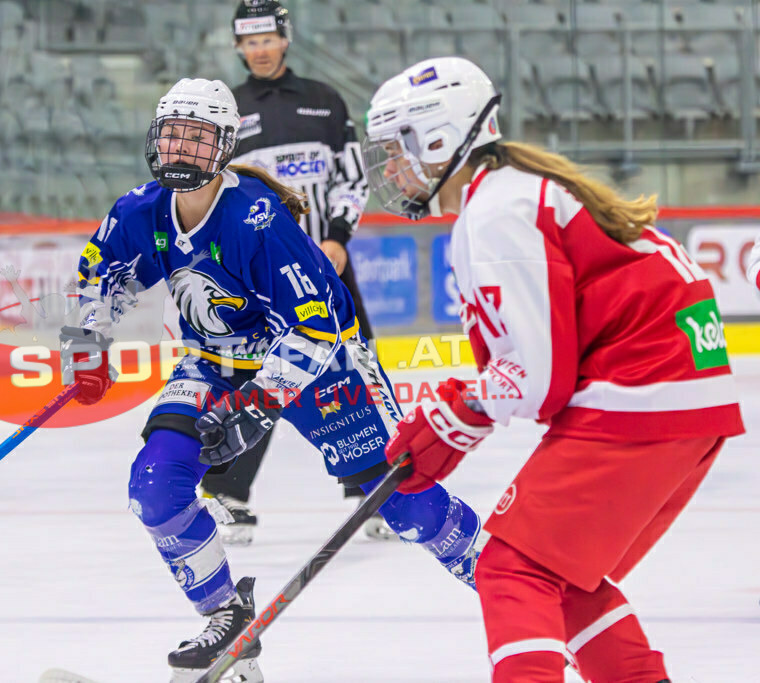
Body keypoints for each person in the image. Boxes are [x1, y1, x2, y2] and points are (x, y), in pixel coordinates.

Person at [63, 77, 484, 682]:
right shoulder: (137, 210)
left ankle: (508, 583)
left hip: (325, 364)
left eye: (197, 138)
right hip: (215, 360)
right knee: (155, 488)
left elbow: (318, 328)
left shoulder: (256, 219)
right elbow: (98, 278)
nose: (181, 149)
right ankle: (228, 624)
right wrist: (86, 343)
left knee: (405, 504)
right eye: (173, 136)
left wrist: (259, 403)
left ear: (225, 146)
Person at [363, 57, 745, 682]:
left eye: (400, 147)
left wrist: (449, 418)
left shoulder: (496, 211)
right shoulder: (508, 193)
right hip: (678, 393)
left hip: (644, 389)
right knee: (564, 579)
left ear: (440, 138)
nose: (393, 168)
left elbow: (537, 377)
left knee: (512, 567)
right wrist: (458, 418)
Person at [199, 0, 389, 545]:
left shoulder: (324, 102)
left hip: (325, 263)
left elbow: (353, 178)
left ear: (284, 39)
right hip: (256, 273)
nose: (259, 49)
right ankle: (229, 494)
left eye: (267, 38)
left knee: (353, 372)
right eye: (248, 41)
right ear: (238, 46)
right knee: (256, 373)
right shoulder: (227, 110)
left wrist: (337, 237)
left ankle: (370, 489)